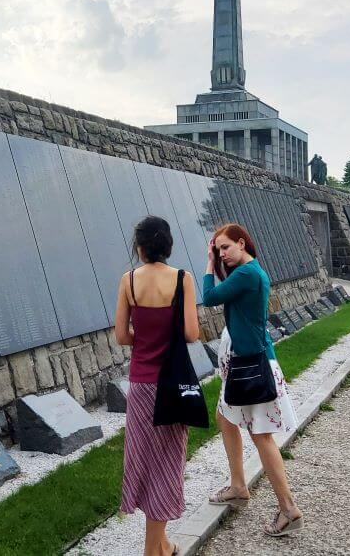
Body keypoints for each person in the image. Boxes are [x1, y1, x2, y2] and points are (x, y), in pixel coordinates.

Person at [202, 223, 303, 537]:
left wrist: (208, 263)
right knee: (225, 418)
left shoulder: (246, 274)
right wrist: (219, 260)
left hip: (251, 366)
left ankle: (289, 511)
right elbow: (226, 294)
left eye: (225, 248)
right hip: (247, 363)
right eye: (218, 250)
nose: (222, 254)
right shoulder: (249, 272)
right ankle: (238, 485)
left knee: (262, 437)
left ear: (242, 243)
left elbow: (209, 297)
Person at [116, 216, 200, 556]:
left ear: (139, 246)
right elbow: (191, 333)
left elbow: (122, 336)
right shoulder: (183, 279)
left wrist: (145, 338)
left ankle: (161, 545)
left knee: (143, 460)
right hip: (171, 385)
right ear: (168, 245)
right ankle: (154, 550)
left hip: (140, 385)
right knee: (167, 463)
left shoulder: (128, 281)